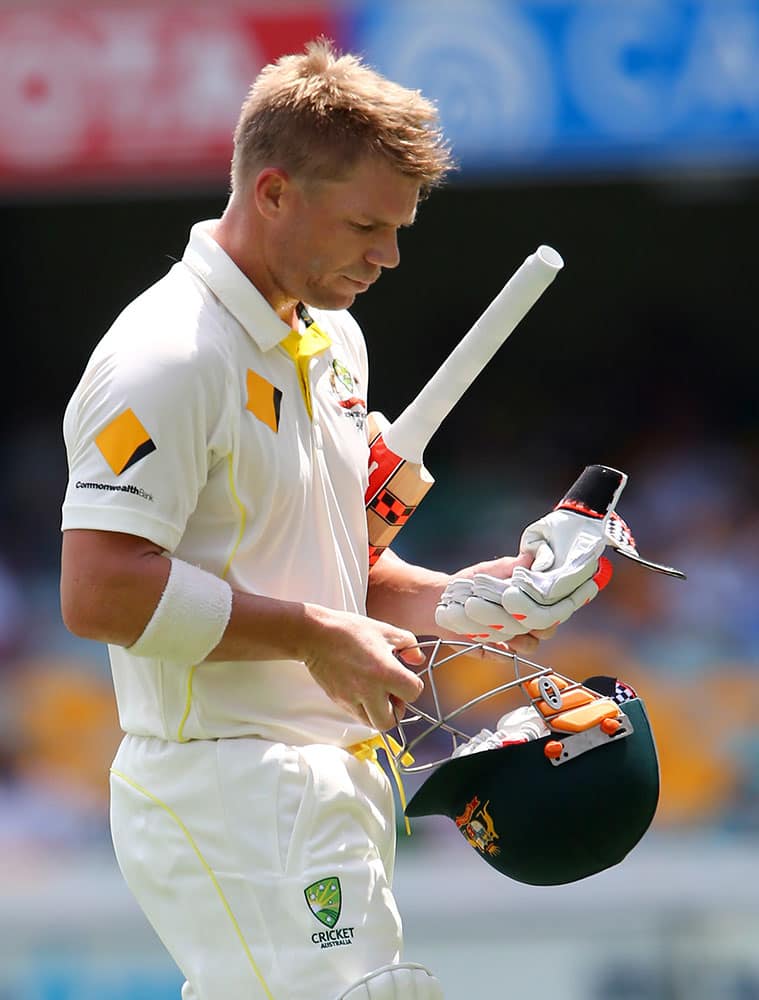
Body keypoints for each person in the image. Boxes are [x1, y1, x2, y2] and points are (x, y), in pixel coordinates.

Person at [60, 39, 608, 1000]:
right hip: (225, 780)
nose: (388, 256)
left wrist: (484, 602)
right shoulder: (168, 355)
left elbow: (339, 571)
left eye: (397, 228)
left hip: (331, 778)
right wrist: (315, 638)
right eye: (365, 225)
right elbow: (100, 590)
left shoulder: (331, 337)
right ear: (272, 192)